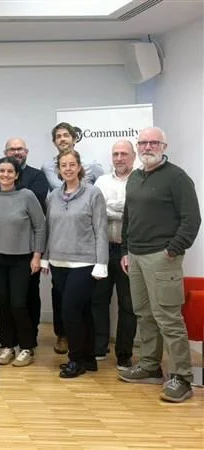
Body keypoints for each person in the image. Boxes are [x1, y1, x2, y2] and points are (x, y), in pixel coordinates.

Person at [118, 127, 201, 403]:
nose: (147, 147)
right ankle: (150, 366)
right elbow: (129, 217)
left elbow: (192, 219)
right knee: (144, 314)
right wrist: (125, 250)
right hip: (136, 256)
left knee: (168, 317)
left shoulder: (177, 177)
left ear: (164, 146)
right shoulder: (135, 177)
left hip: (162, 258)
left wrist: (172, 250)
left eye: (154, 142)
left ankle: (182, 378)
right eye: (143, 142)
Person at [41, 150, 108, 378]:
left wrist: (102, 262)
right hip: (58, 262)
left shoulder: (93, 193)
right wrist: (45, 257)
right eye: (64, 165)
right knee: (83, 310)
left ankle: (75, 359)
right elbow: (49, 229)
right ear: (59, 170)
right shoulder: (53, 196)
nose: (68, 169)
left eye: (72, 164)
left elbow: (101, 229)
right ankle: (89, 358)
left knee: (70, 311)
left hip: (85, 262)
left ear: (79, 167)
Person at [0, 157, 46, 367]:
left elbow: (40, 226)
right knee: (2, 303)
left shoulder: (27, 196)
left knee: (18, 303)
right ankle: (8, 345)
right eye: (1, 171)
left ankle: (27, 347)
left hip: (22, 258)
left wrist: (37, 255)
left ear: (17, 175)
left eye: (10, 171)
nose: (5, 175)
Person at [91, 140, 138, 368]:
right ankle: (99, 347)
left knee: (128, 305)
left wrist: (111, 208)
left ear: (133, 156)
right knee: (98, 301)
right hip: (102, 249)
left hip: (129, 251)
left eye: (124, 154)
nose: (119, 158)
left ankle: (124, 353)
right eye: (115, 154)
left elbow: (135, 212)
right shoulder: (101, 181)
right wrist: (122, 208)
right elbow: (96, 211)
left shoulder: (140, 180)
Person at [4, 137, 50, 340]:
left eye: (20, 149)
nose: (16, 152)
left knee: (30, 293)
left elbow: (34, 205)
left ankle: (31, 334)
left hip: (30, 247)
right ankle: (9, 334)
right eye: (12, 149)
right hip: (4, 247)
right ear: (6, 153)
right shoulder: (0, 175)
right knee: (7, 296)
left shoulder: (37, 176)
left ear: (26, 152)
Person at [42, 122, 104, 190]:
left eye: (66, 135)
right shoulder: (47, 167)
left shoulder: (91, 164)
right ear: (54, 143)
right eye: (58, 136)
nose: (62, 139)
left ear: (74, 140)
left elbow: (103, 188)